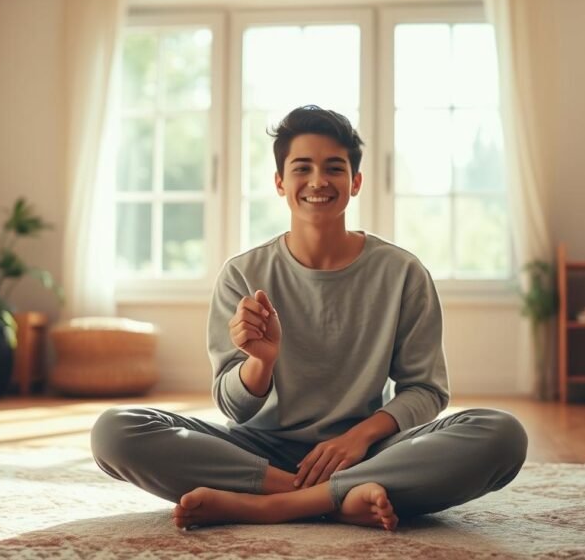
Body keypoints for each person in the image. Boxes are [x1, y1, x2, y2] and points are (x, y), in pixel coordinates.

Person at [91, 105, 527, 531]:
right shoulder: (243, 274)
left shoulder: (402, 273)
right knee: (115, 432)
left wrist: (359, 438)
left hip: (367, 452)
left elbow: (426, 389)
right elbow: (232, 407)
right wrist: (260, 362)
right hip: (255, 453)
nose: (318, 181)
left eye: (334, 168)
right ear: (280, 183)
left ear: (355, 182)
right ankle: (329, 499)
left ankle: (271, 507)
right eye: (302, 168)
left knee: (501, 434)